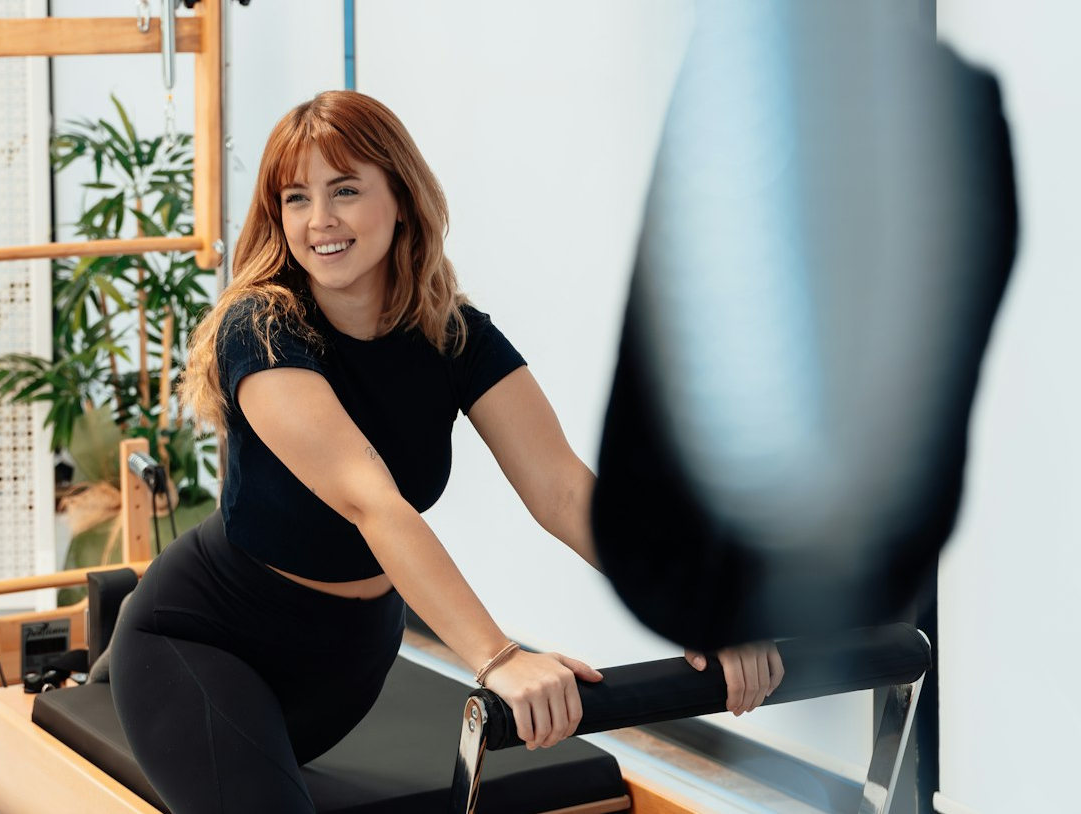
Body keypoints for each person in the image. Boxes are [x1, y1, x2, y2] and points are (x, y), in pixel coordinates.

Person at [109, 90, 783, 813]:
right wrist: (499, 656)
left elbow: (562, 489)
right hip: (207, 640)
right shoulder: (263, 327)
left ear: (401, 196)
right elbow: (371, 502)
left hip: (346, 668)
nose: (320, 220)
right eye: (296, 199)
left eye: (345, 190)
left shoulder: (453, 332)